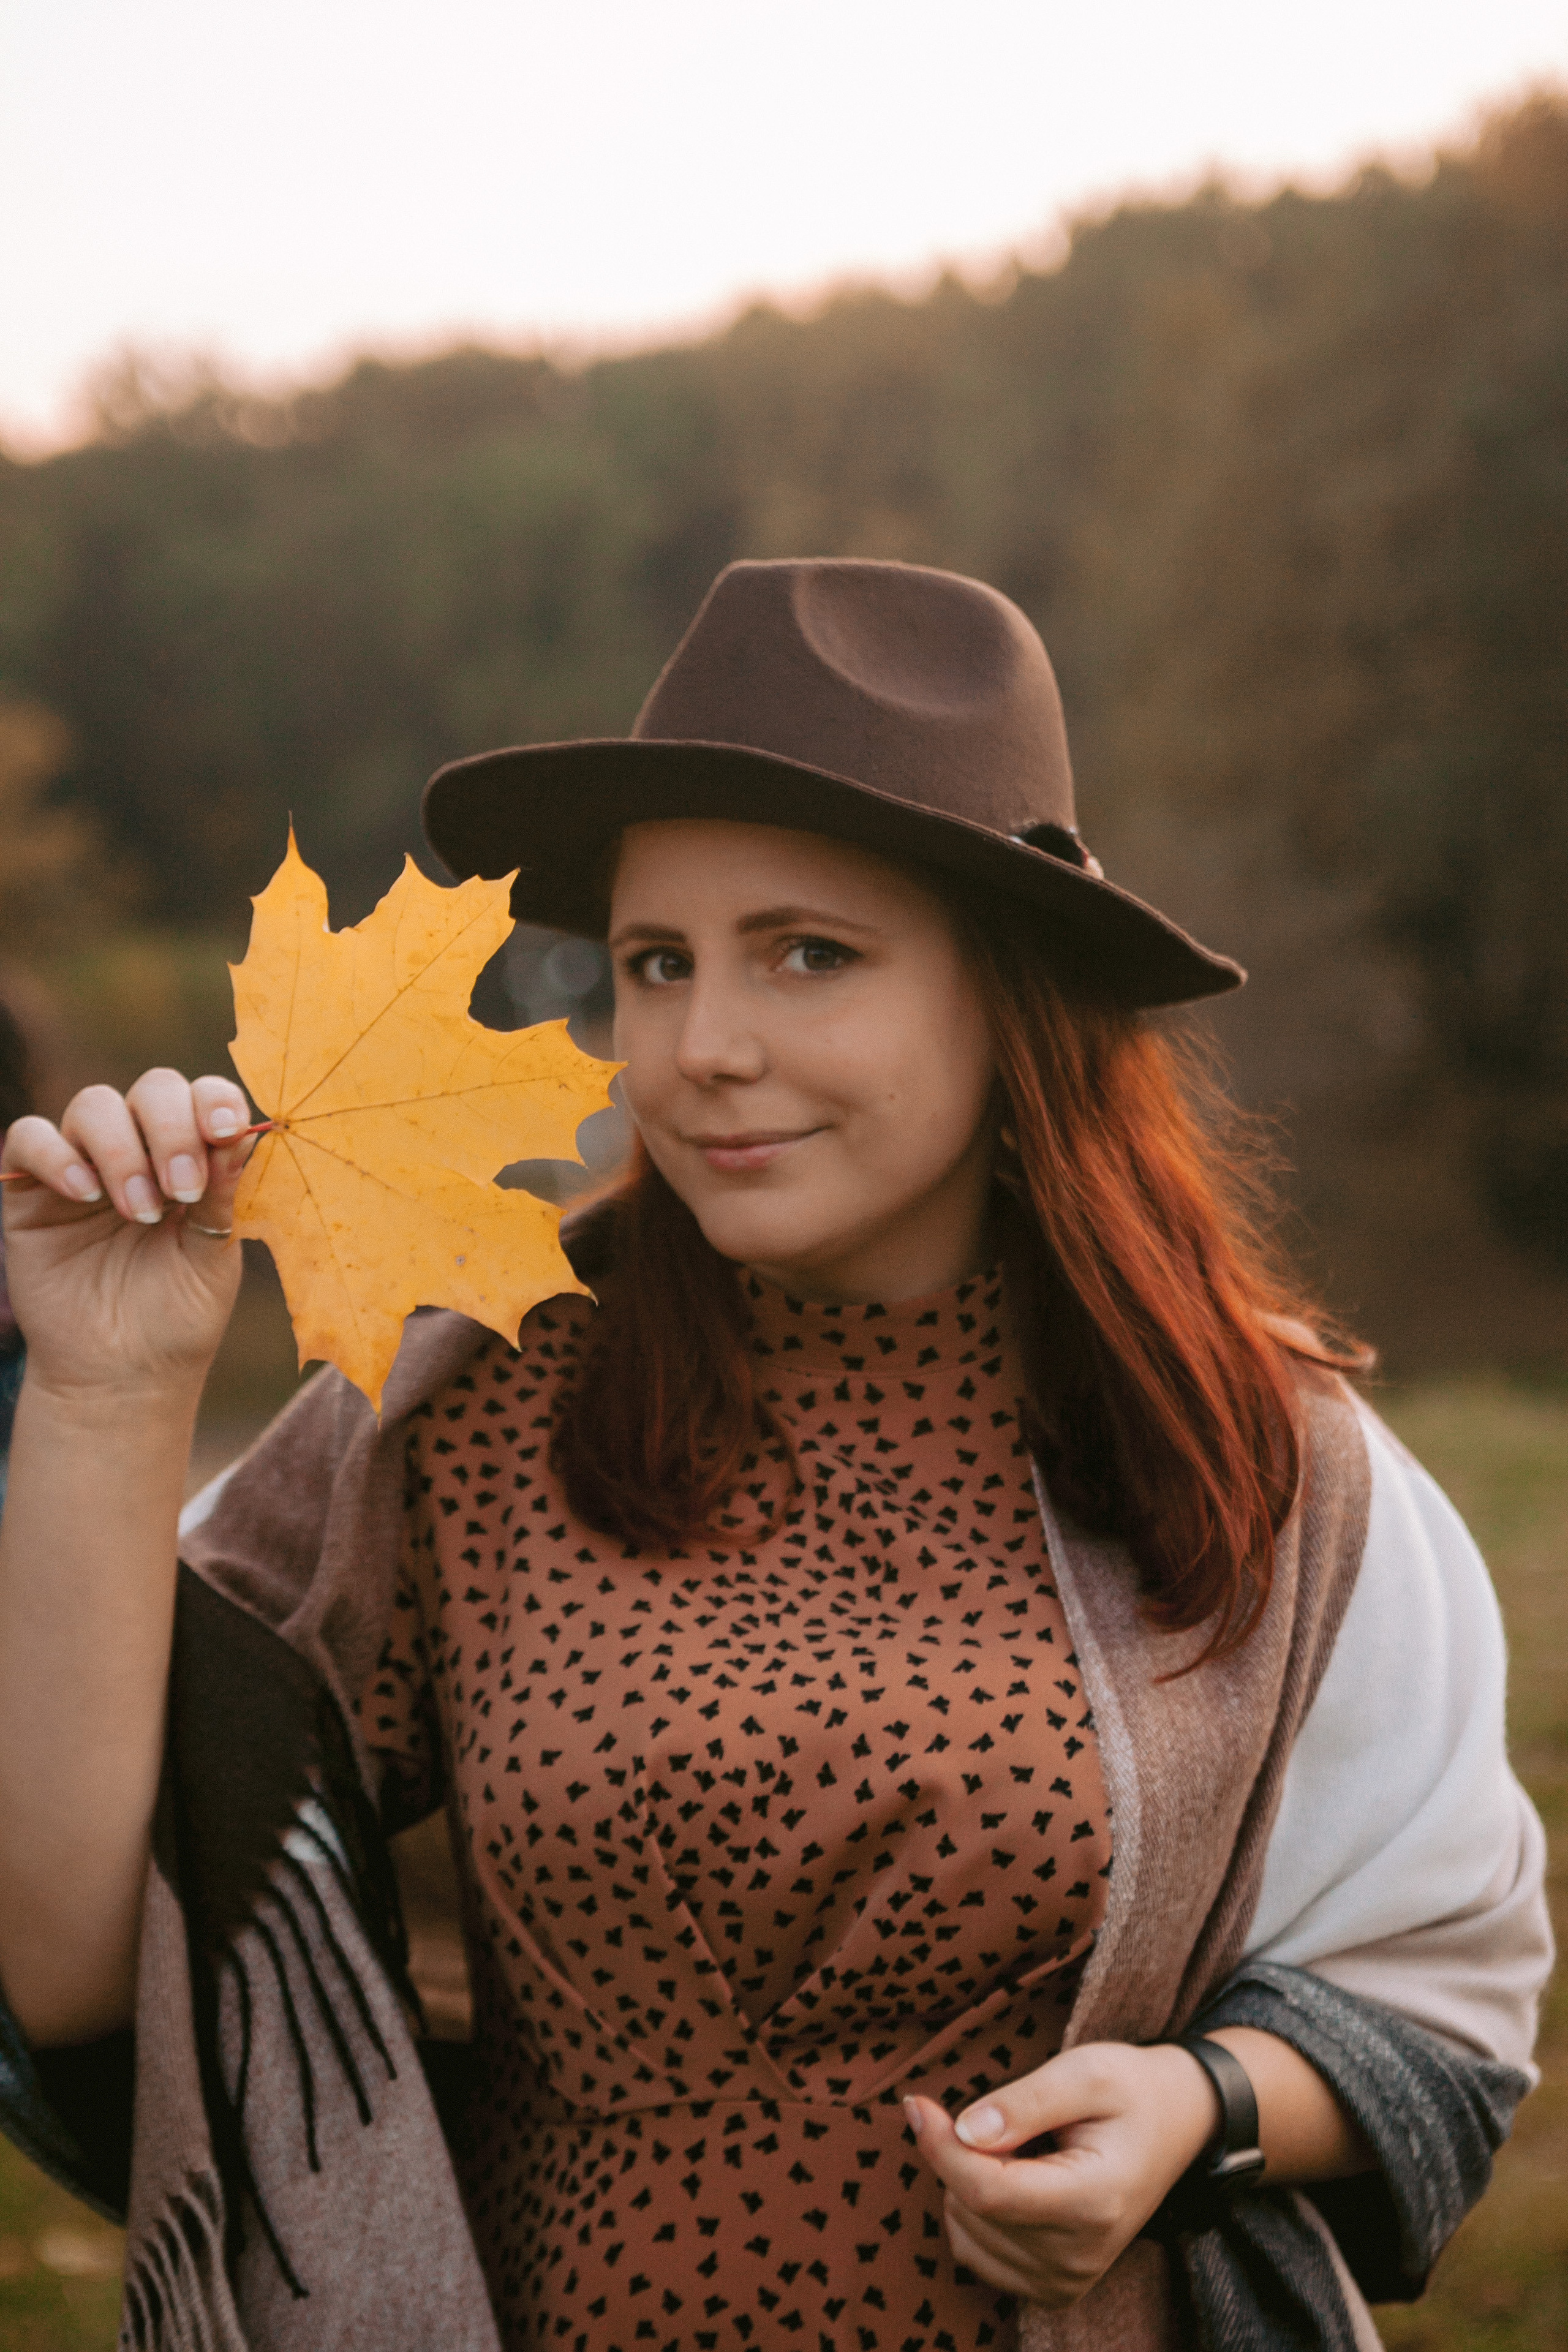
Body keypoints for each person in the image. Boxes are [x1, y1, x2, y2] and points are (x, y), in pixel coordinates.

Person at [0, 560, 1551, 2352]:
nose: (704, 1046)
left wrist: (1201, 2116)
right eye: (656, 963)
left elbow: (1443, 1999)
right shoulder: (477, 1399)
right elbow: (75, 1959)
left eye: (809, 953)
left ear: (1010, 990)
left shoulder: (1267, 1456)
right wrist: (110, 1399)